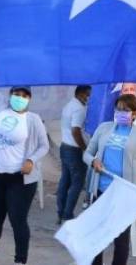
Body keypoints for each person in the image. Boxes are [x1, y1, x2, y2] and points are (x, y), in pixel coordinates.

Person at [0, 86, 49, 265]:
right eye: (17, 95)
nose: (20, 98)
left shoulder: (32, 119)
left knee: (18, 221)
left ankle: (20, 261)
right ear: (10, 96)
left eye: (24, 96)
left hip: (20, 179)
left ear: (29, 99)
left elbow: (44, 145)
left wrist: (31, 160)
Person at [84, 93, 136, 265]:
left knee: (121, 239)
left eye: (126, 110)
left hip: (126, 193)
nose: (120, 112)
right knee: (97, 236)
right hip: (101, 190)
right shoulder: (104, 128)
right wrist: (93, 161)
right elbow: (87, 153)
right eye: (118, 109)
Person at [56, 85, 91, 224]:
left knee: (65, 181)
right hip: (75, 150)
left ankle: (61, 212)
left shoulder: (69, 105)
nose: (89, 98)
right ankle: (68, 214)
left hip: (65, 146)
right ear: (81, 94)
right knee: (77, 183)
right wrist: (84, 148)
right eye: (88, 95)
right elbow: (76, 131)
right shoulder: (79, 109)